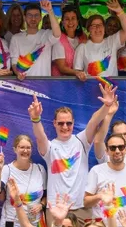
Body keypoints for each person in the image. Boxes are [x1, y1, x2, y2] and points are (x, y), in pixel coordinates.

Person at [30, 81, 116, 213]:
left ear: (73, 123)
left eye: (69, 123)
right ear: (54, 123)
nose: (65, 127)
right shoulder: (50, 147)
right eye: (61, 123)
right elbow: (40, 136)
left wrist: (106, 105)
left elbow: (94, 121)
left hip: (81, 207)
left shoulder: (81, 141)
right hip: (55, 208)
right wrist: (36, 119)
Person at [0, 135, 47, 227]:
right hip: (12, 226)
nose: (25, 150)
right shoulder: (7, 170)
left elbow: (46, 195)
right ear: (15, 149)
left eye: (28, 148)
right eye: (22, 147)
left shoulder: (40, 169)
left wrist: (41, 205)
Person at [73, 0, 126, 80]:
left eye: (100, 25)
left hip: (110, 89)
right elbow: (77, 70)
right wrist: (79, 74)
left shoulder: (112, 41)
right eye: (94, 26)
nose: (97, 28)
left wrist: (120, 11)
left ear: (104, 28)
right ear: (88, 29)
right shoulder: (82, 47)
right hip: (90, 89)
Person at [10, 0, 61, 79]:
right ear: (24, 17)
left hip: (44, 86)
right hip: (24, 85)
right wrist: (18, 73)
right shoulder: (16, 38)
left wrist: (50, 11)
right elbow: (14, 62)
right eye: (30, 15)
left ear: (40, 17)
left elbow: (57, 34)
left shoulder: (46, 34)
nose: (33, 18)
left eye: (36, 15)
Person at [51, 6, 86, 77]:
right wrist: (78, 73)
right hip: (60, 83)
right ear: (62, 22)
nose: (70, 22)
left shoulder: (83, 37)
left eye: (73, 18)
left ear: (77, 21)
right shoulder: (58, 39)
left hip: (80, 83)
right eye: (67, 19)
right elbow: (62, 68)